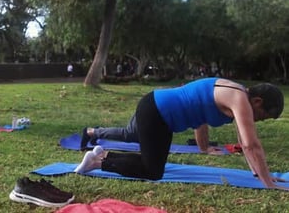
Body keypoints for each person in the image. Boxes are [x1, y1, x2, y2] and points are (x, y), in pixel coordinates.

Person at [74, 77, 289, 190]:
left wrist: (259, 174)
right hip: (156, 111)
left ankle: (100, 156)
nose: (259, 120)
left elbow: (243, 141)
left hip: (161, 116)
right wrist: (268, 183)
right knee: (152, 171)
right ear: (258, 101)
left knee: (149, 159)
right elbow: (252, 144)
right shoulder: (239, 99)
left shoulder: (237, 93)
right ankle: (99, 161)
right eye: (263, 116)